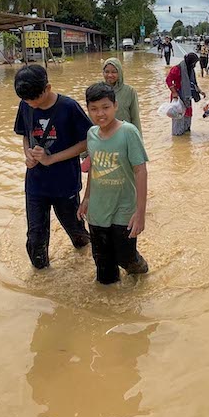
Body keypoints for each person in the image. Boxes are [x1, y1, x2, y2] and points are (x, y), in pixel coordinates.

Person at [13, 64, 92, 269]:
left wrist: (51, 158)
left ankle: (86, 262)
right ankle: (41, 281)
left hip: (64, 182)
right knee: (35, 236)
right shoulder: (25, 105)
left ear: (47, 88)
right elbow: (25, 135)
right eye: (26, 101)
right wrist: (28, 153)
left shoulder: (69, 107)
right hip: (35, 184)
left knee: (77, 232)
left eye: (34, 100)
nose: (31, 105)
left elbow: (87, 142)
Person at [78, 83, 150, 284]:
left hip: (124, 209)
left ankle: (142, 273)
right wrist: (87, 198)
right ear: (88, 109)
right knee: (103, 266)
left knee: (126, 258)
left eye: (105, 107)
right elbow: (94, 168)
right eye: (94, 109)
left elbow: (140, 170)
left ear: (115, 106)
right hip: (98, 210)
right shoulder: (91, 134)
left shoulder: (128, 132)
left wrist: (140, 212)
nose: (100, 113)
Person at [165, 53, 203, 136]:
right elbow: (168, 80)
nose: (195, 66)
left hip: (187, 97)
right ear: (190, 62)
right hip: (178, 96)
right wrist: (174, 92)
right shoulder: (176, 69)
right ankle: (177, 137)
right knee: (178, 117)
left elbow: (192, 83)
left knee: (187, 116)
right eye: (194, 63)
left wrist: (200, 91)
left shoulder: (190, 70)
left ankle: (186, 134)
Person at [101, 57, 142, 133]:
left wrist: (139, 140)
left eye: (114, 72)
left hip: (125, 136)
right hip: (105, 136)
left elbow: (135, 118)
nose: (110, 75)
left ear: (119, 73)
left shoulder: (130, 91)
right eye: (106, 72)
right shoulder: (99, 92)